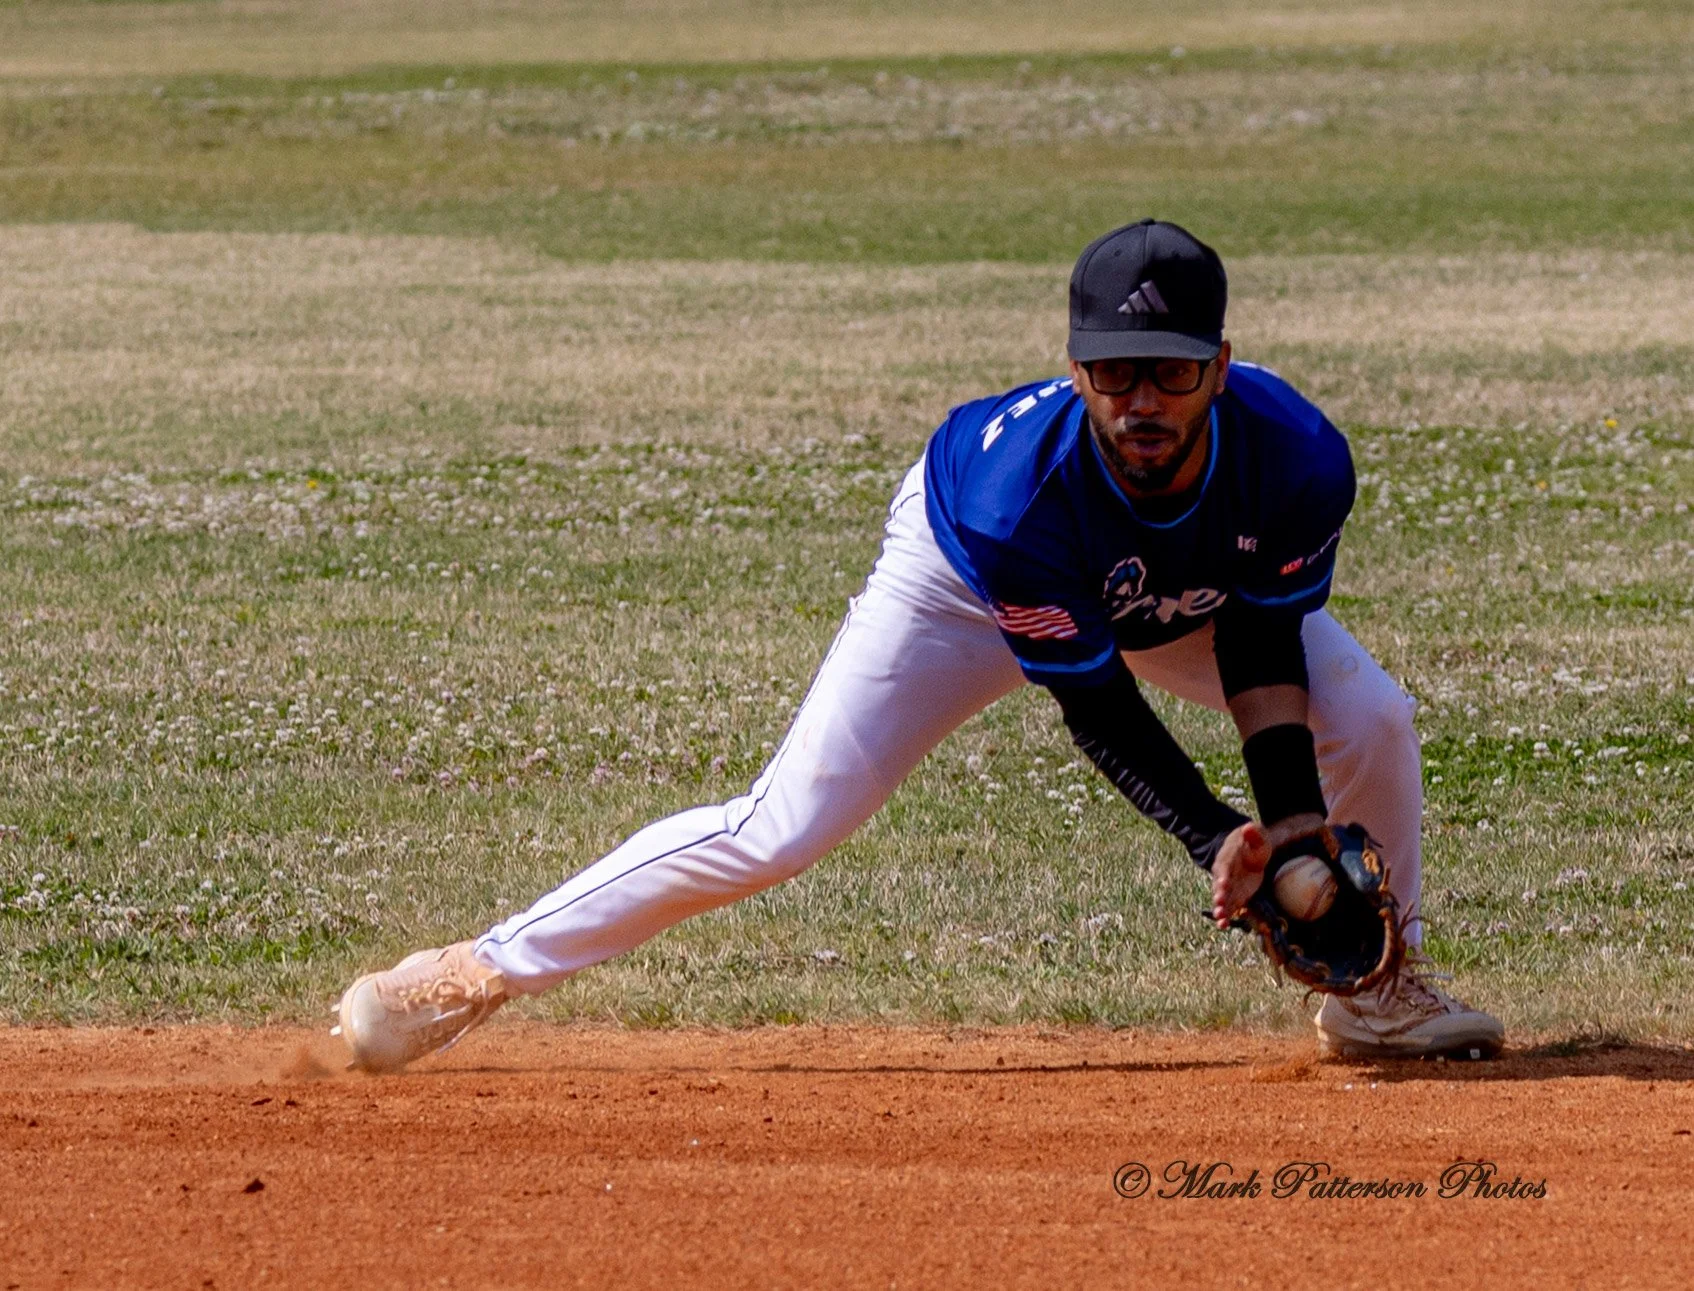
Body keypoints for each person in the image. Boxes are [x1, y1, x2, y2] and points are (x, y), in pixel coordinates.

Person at [333, 219, 1504, 1073]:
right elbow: (1093, 702)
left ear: (1220, 367)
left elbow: (1256, 631)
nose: (1137, 399)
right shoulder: (1012, 495)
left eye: (1168, 372)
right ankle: (468, 972)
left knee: (1373, 718)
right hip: (959, 586)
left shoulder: (1294, 456)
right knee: (782, 824)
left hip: (1178, 594)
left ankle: (1374, 999)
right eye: (1108, 370)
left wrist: (1292, 827)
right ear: (1071, 367)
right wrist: (1215, 836)